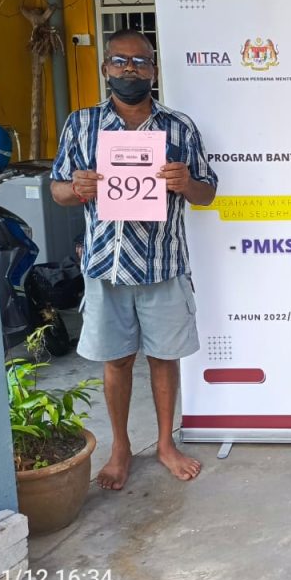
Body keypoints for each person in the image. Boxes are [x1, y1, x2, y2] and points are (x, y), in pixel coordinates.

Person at [51, 29, 217, 491]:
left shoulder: (179, 127)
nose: (130, 69)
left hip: (163, 263)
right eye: (121, 61)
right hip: (107, 265)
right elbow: (58, 190)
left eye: (140, 62)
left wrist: (186, 183)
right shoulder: (81, 124)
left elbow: (207, 192)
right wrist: (77, 188)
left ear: (154, 71)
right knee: (118, 361)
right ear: (106, 67)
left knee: (164, 359)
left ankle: (165, 444)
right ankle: (121, 448)